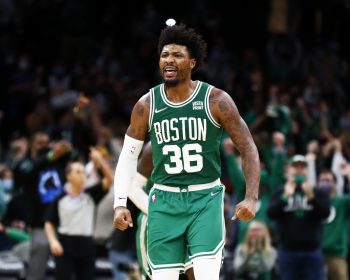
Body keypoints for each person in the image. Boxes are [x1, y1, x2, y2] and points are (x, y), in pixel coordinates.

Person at [113, 23, 260, 280]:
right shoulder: (146, 105)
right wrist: (119, 203)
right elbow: (127, 156)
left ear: (192, 63)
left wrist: (251, 197)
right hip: (164, 202)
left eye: (177, 55)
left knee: (205, 275)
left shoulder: (216, 100)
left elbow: (248, 147)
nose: (169, 60)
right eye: (164, 55)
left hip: (205, 198)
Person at [127, 141, 195, 280]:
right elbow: (133, 188)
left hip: (189, 220)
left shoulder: (200, 140)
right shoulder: (154, 146)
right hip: (156, 221)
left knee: (198, 273)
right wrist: (160, 213)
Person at [44, 147, 113, 280]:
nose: (82, 175)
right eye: (77, 172)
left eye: (83, 172)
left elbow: (109, 181)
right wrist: (53, 241)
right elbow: (49, 222)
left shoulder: (91, 194)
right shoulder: (60, 198)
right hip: (65, 244)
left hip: (86, 244)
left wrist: (100, 161)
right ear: (68, 176)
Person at [267, 154, 330, 280]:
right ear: (289, 170)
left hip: (312, 251)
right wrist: (285, 197)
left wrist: (311, 197)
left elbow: (326, 214)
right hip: (287, 251)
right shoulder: (280, 192)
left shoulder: (318, 192)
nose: (299, 170)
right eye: (296, 167)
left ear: (307, 170)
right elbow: (271, 214)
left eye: (302, 167)